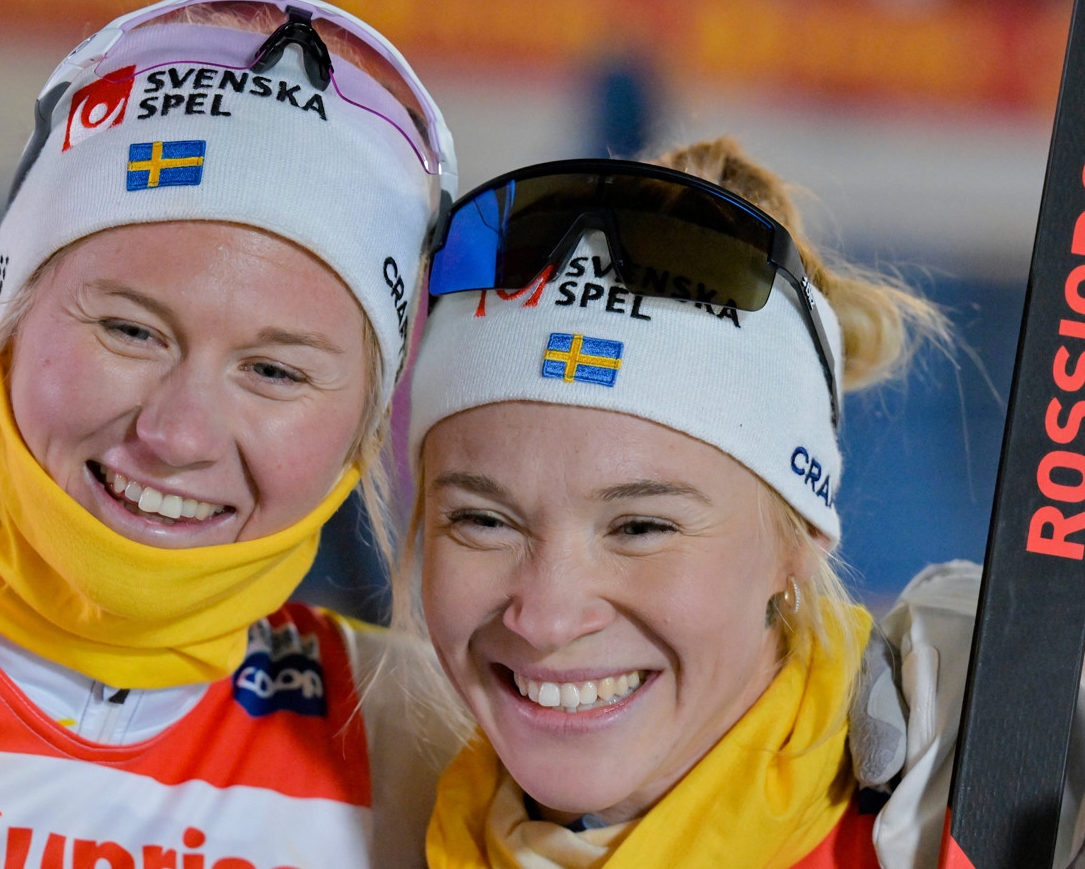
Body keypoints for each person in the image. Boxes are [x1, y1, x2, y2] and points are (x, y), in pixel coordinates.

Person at [0, 0, 456, 867]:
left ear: (366, 429)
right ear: (7, 312)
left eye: (274, 371)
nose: (179, 435)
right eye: (130, 330)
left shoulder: (429, 745)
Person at [390, 138, 1085, 867]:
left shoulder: (938, 820)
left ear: (799, 540)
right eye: (483, 520)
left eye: (641, 526)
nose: (547, 617)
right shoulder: (371, 816)